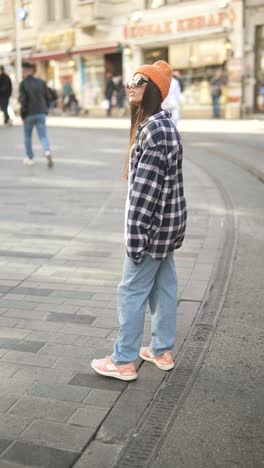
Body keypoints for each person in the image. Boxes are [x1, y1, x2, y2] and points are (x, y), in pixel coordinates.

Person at [91, 61, 187, 381]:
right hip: (167, 228)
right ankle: (161, 350)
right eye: (130, 80)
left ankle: (124, 360)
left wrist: (134, 240)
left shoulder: (154, 131)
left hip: (150, 231)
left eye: (139, 81)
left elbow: (144, 194)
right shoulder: (164, 126)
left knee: (130, 290)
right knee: (164, 287)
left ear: (154, 90)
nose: (130, 86)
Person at [19, 62, 53, 167]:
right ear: (32, 71)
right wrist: (46, 110)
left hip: (29, 114)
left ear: (24, 71)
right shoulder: (41, 82)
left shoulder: (23, 84)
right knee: (43, 135)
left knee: (27, 137)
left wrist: (23, 115)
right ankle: (47, 151)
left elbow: (23, 101)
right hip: (41, 112)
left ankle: (30, 157)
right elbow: (48, 97)